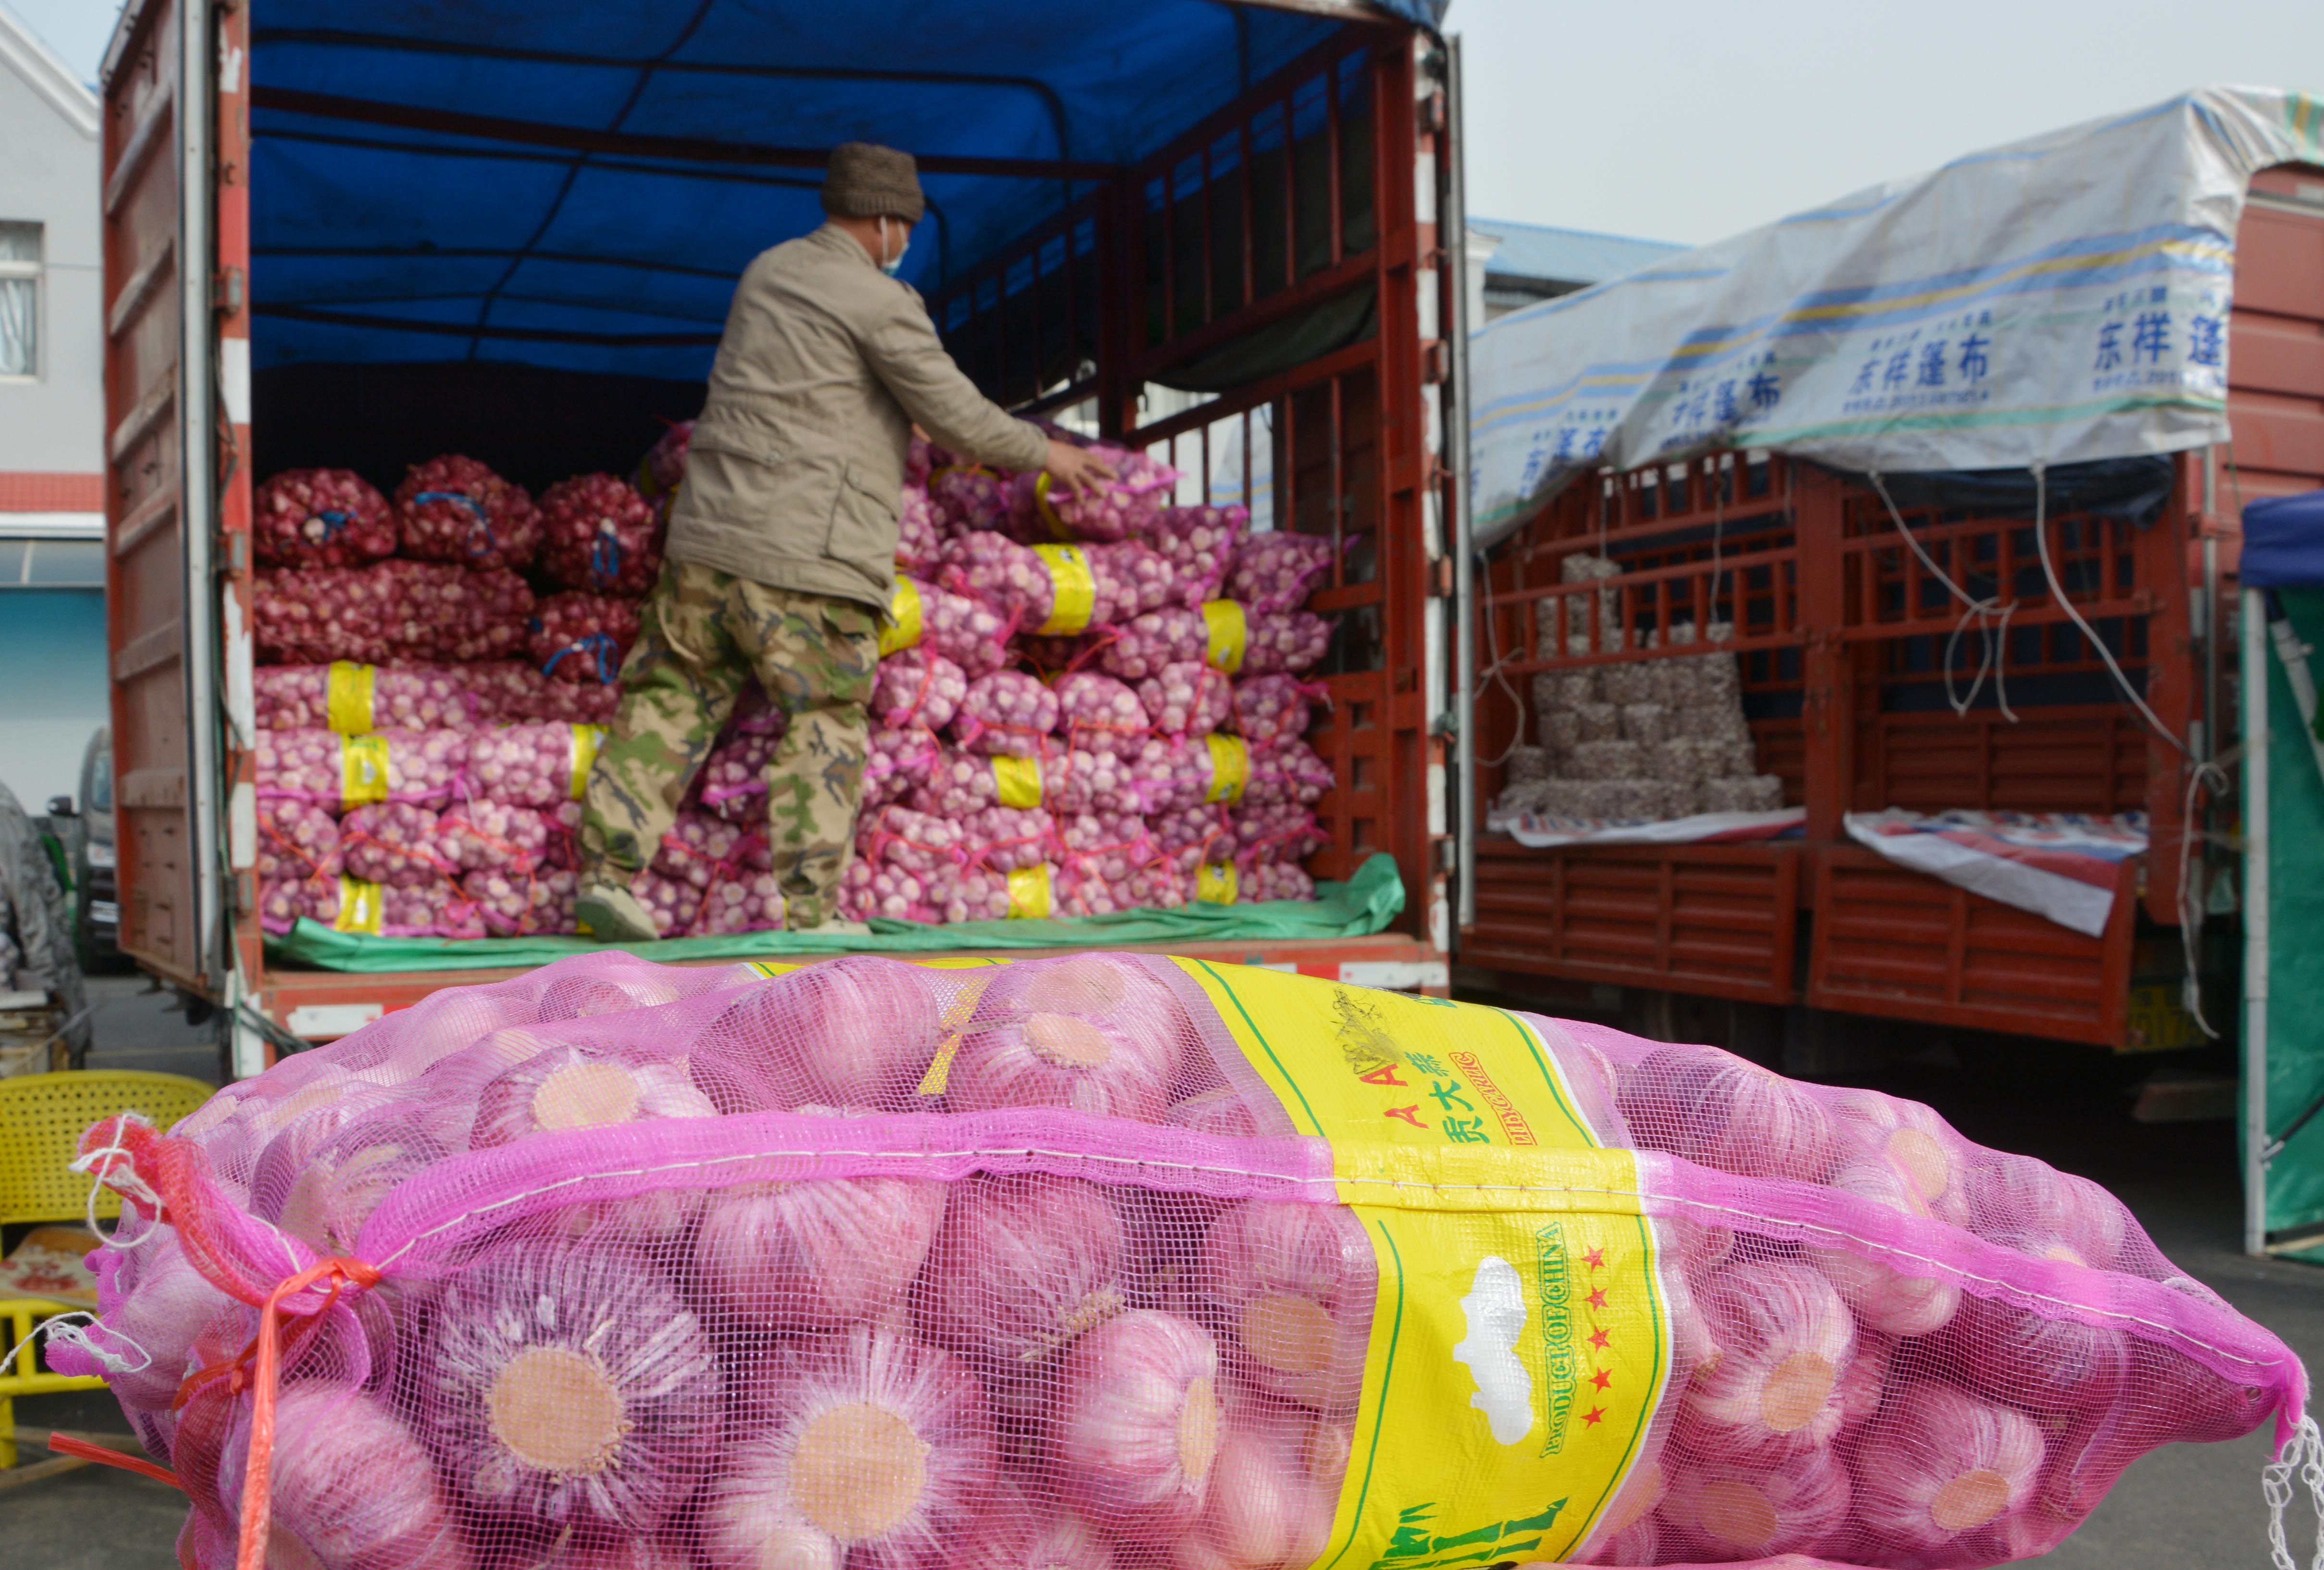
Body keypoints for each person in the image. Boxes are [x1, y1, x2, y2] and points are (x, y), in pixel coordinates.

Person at [574, 143, 1115, 940]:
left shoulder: (767, 272)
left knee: (671, 697)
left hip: (709, 541)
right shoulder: (880, 300)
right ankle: (811, 913)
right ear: (891, 221)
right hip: (811, 554)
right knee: (823, 716)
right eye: (908, 227)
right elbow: (954, 415)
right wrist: (1050, 453)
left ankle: (608, 877)